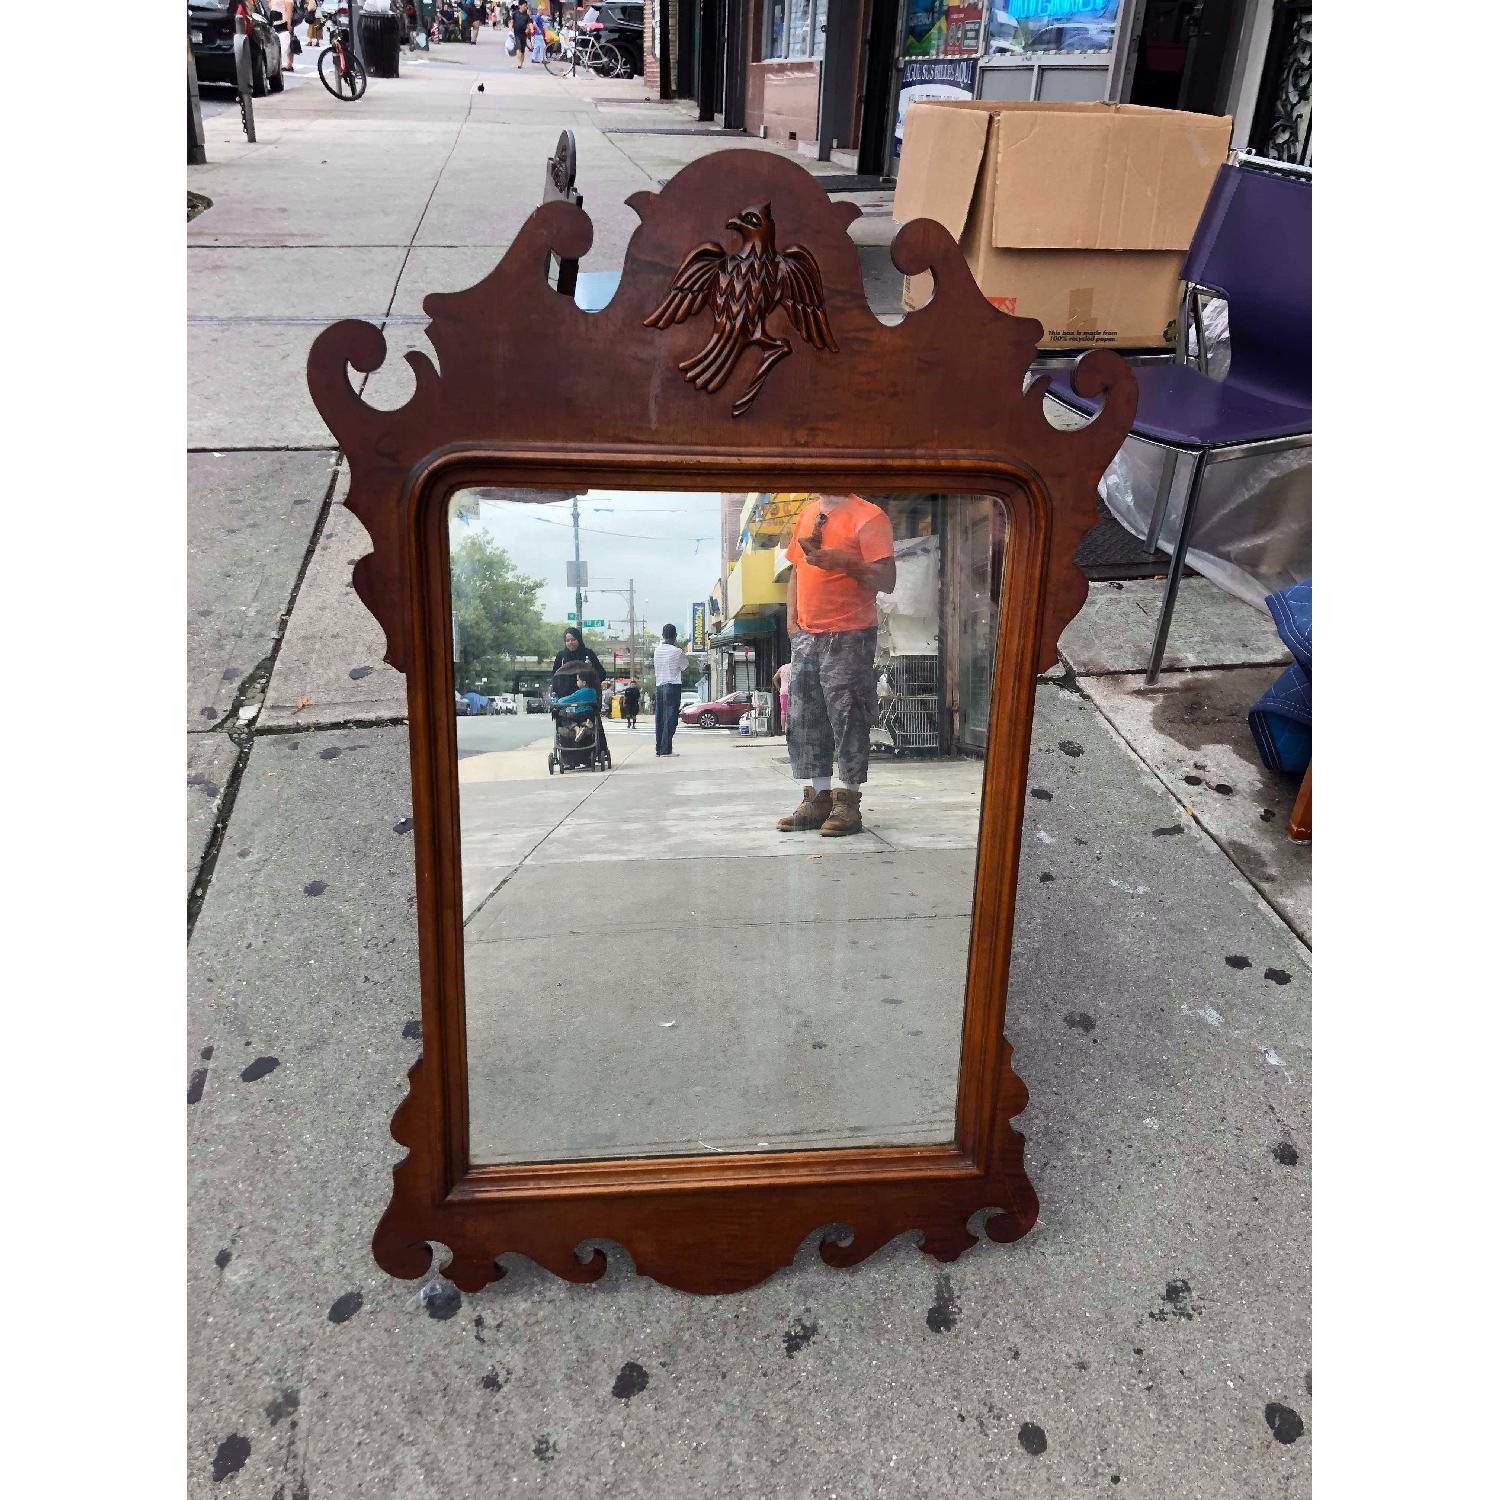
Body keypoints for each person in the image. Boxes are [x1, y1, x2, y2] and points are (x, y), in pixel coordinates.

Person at [776, 493, 896, 837]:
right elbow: (797, 571)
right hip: (806, 635)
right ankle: (818, 798)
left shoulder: (869, 516)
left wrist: (845, 562)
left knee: (848, 715)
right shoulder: (807, 513)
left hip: (850, 632)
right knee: (806, 718)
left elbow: (887, 579)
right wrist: (793, 624)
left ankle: (848, 800)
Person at [653, 625, 689, 757]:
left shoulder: (657, 651)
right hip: (673, 686)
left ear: (663, 635)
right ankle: (666, 749)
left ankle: (659, 748)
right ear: (675, 636)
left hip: (659, 686)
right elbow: (685, 666)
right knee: (671, 718)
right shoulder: (677, 651)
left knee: (660, 718)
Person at [772, 660, 792, 736]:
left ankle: (783, 730)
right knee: (793, 710)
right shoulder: (794, 667)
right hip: (792, 691)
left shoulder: (782, 668)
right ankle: (792, 728)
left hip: (783, 691)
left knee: (783, 711)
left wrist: (779, 688)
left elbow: (774, 679)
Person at [511, 0, 531, 66]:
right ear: (520, 6)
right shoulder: (515, 13)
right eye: (524, 6)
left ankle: (521, 63)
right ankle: (519, 63)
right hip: (517, 34)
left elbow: (528, 24)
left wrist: (528, 29)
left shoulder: (527, 16)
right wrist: (510, 30)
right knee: (518, 48)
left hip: (524, 35)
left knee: (522, 51)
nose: (526, 7)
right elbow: (511, 22)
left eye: (526, 6)